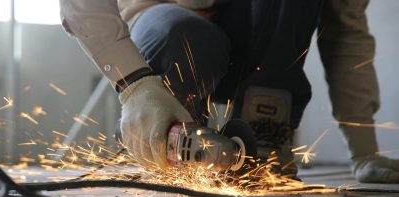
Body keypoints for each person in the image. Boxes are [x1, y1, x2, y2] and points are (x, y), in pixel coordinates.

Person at [59, 0, 399, 183]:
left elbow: (346, 33)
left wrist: (364, 150)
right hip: (168, 31)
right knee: (179, 32)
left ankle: (264, 134)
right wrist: (134, 85)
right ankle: (167, 136)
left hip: (264, 48)